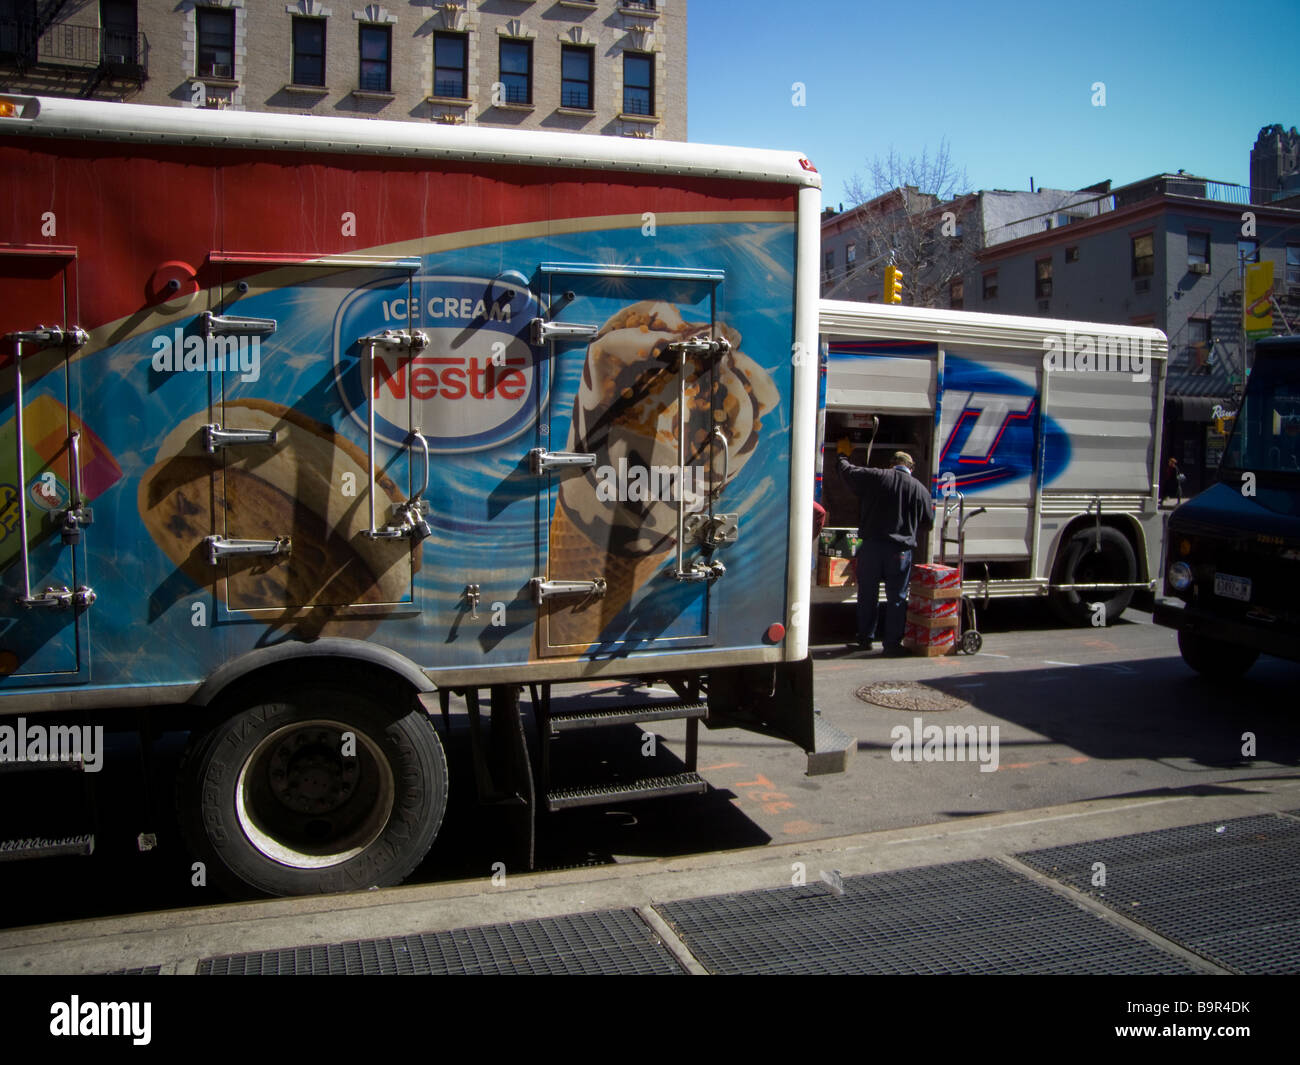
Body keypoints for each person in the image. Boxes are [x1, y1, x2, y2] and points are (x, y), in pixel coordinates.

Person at [836, 439, 934, 653]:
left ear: (892, 464)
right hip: (899, 552)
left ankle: (864, 639)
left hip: (872, 547)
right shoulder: (921, 490)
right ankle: (891, 644)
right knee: (897, 598)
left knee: (867, 594)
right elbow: (928, 524)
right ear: (911, 468)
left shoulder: (878, 476)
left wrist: (842, 455)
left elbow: (848, 472)